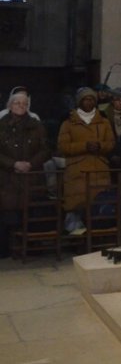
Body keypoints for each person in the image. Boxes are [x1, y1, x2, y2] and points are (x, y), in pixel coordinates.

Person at [58, 87, 116, 235]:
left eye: (91, 99)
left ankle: (97, 237)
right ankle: (77, 239)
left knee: (99, 205)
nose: (88, 102)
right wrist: (84, 146)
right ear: (79, 102)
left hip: (99, 169)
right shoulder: (68, 122)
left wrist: (100, 146)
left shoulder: (103, 121)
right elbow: (62, 147)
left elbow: (111, 143)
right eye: (85, 99)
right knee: (77, 206)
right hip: (77, 171)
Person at [0, 90, 49, 256]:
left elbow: (45, 149)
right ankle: (7, 249)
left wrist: (30, 164)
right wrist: (13, 163)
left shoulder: (36, 125)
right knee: (8, 214)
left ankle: (31, 248)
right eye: (17, 103)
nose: (21, 106)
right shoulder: (2, 125)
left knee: (31, 212)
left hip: (31, 176)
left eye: (24, 104)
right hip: (8, 177)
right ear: (10, 105)